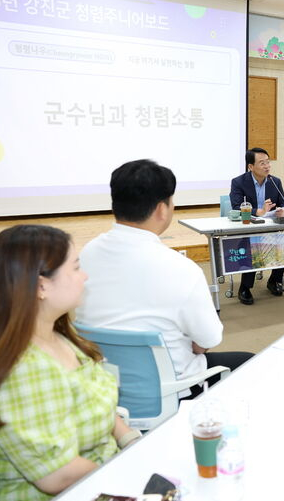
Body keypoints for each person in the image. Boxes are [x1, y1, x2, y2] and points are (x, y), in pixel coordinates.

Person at [0, 225, 139, 500]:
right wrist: (132, 475)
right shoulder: (21, 371)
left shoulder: (57, 336)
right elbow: (57, 476)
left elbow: (93, 401)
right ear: (41, 286)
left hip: (98, 478)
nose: (85, 276)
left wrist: (132, 441)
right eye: (76, 268)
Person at [76, 159, 253, 399]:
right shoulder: (181, 268)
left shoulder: (87, 254)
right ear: (162, 209)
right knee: (254, 362)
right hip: (171, 390)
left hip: (104, 385)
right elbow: (207, 340)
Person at [229, 147, 284, 305]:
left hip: (271, 227)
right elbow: (236, 207)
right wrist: (259, 211)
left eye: (268, 162)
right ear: (251, 166)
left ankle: (274, 280)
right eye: (262, 163)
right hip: (248, 227)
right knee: (253, 245)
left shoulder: (275, 181)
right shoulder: (238, 182)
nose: (267, 166)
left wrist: (283, 210)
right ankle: (245, 287)